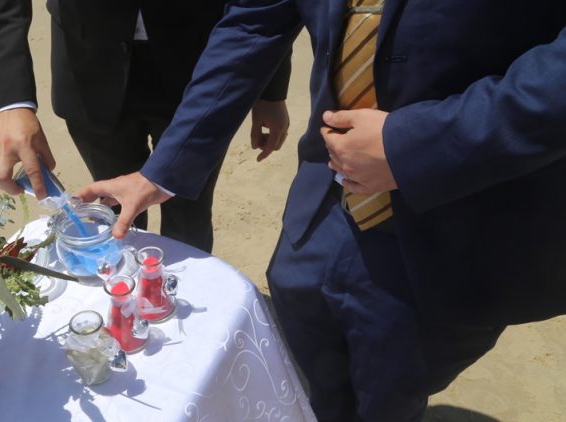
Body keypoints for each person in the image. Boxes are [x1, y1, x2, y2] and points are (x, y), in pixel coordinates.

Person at [77, 1, 566, 420]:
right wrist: (163, 171)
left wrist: (419, 145)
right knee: (309, 366)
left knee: (392, 389)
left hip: (462, 217)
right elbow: (253, 23)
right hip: (325, 201)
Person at [0, 0, 293, 253]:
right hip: (88, 65)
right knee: (116, 211)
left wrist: (271, 87)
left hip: (202, 70)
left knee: (189, 215)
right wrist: (11, 100)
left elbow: (263, 9)